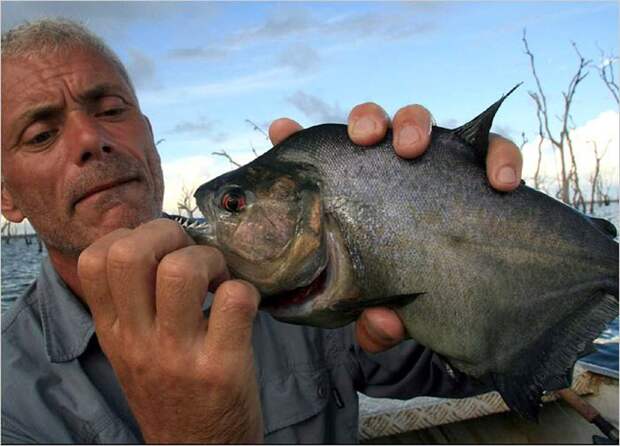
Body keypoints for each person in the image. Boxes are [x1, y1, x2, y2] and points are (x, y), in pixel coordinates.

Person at [1, 19, 523, 444]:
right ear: (6, 198)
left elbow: (479, 369)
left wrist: (466, 224)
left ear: (150, 137)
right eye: (42, 134)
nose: (92, 138)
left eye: (112, 110)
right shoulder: (10, 404)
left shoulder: (292, 272)